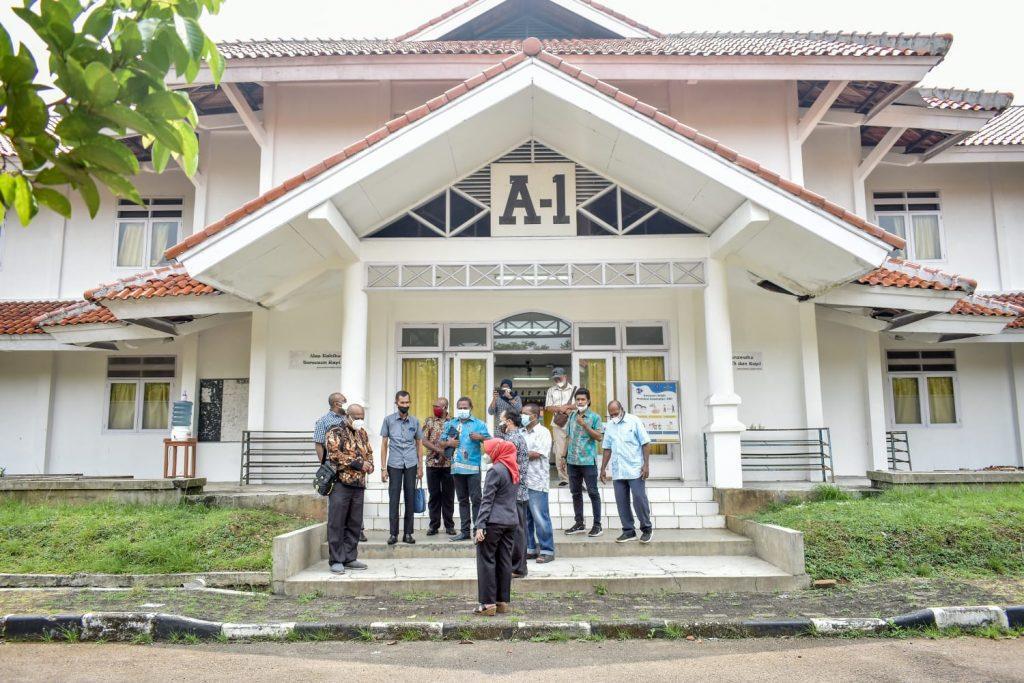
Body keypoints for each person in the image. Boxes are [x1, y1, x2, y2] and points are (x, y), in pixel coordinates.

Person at [324, 403, 374, 573]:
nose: (360, 421)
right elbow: (334, 454)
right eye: (357, 417)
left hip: (358, 484)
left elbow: (369, 453)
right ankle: (336, 560)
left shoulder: (362, 433)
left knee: (354, 523)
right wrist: (359, 464)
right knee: (337, 522)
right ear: (348, 416)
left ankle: (350, 557)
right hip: (340, 483)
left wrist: (370, 465)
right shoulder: (335, 431)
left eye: (362, 418)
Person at [473, 438, 519, 616]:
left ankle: (487, 604)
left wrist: (480, 525)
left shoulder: (495, 470)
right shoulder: (513, 469)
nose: (487, 454)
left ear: (497, 452)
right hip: (510, 521)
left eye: (488, 451)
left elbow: (487, 500)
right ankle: (502, 601)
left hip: (493, 522)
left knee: (486, 561)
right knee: (504, 561)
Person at [313, 391, 366, 542]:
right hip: (336, 470)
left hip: (355, 473)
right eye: (344, 401)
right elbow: (319, 444)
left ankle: (358, 531)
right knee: (338, 507)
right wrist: (325, 466)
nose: (347, 404)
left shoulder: (349, 418)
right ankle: (338, 542)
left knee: (355, 507)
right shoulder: (324, 421)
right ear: (337, 404)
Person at [600, 400, 654, 544]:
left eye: (616, 414)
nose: (614, 417)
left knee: (639, 499)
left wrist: (646, 465)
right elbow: (607, 448)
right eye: (611, 415)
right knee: (621, 502)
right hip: (619, 471)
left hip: (635, 469)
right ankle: (628, 531)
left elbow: (645, 443)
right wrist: (603, 468)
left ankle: (647, 529)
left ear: (622, 409)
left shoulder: (634, 421)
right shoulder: (610, 426)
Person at [380, 390, 424, 546]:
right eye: (402, 402)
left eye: (407, 402)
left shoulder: (415, 422)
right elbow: (384, 445)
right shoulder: (388, 421)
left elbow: (419, 445)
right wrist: (383, 468)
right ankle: (393, 534)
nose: (405, 405)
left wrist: (420, 466)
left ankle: (408, 533)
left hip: (411, 464)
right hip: (394, 464)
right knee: (394, 498)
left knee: (410, 499)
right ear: (396, 403)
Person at [443, 397, 490, 542]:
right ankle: (464, 532)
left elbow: (490, 441)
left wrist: (480, 437)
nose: (462, 410)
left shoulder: (479, 424)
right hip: (456, 468)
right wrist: (448, 442)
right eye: (460, 407)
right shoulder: (451, 423)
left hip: (473, 468)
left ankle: (478, 530)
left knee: (476, 500)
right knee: (462, 500)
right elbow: (441, 443)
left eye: (465, 407)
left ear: (471, 408)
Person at [564, 387, 604, 537]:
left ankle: (597, 525)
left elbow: (599, 437)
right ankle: (579, 523)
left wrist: (585, 425)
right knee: (575, 493)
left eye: (583, 399)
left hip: (588, 461)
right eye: (578, 399)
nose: (580, 402)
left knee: (593, 492)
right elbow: (569, 437)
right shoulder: (572, 416)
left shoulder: (595, 417)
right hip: (572, 461)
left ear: (588, 401)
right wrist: (563, 457)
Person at [496, 407, 529, 579]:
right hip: (516, 490)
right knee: (517, 529)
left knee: (517, 531)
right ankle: (517, 565)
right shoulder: (511, 437)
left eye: (502, 420)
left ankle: (518, 567)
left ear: (509, 421)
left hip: (515, 491)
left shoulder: (514, 439)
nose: (500, 423)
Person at [521, 403, 555, 563]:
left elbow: (536, 454)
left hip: (537, 481)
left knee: (540, 517)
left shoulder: (544, 432)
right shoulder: (520, 432)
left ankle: (547, 550)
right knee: (525, 518)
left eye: (525, 413)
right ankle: (530, 548)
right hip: (522, 481)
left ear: (534, 416)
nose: (522, 416)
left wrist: (517, 453)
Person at [422, 397, 456, 536]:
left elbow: (455, 441)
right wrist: (438, 450)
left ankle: (449, 526)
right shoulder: (429, 421)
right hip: (432, 463)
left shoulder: (453, 422)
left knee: (448, 496)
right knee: (434, 495)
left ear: (445, 408)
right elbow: (423, 440)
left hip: (449, 464)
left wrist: (446, 447)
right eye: (434, 405)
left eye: (438, 406)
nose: (435, 408)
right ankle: (434, 525)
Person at [543, 368, 576, 487]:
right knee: (559, 451)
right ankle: (564, 477)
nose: (557, 380)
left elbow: (580, 403)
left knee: (573, 449)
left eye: (559, 377)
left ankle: (575, 477)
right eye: (555, 378)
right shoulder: (551, 390)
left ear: (565, 376)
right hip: (558, 423)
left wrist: (567, 407)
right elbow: (548, 407)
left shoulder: (574, 389)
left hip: (573, 422)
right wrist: (559, 408)